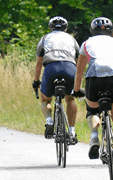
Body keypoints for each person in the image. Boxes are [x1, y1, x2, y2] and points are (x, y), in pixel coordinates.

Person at [71, 17, 113, 170]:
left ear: (92, 31)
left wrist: (76, 90)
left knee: (93, 110)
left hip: (94, 81)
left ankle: (94, 137)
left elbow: (79, 72)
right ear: (112, 31)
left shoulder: (86, 44)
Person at [32, 16, 80, 144]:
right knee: (70, 98)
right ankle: (72, 131)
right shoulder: (72, 39)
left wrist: (36, 81)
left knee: (46, 99)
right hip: (69, 67)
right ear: (65, 28)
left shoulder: (44, 39)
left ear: (50, 27)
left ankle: (49, 121)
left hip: (51, 67)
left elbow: (38, 64)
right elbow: (78, 62)